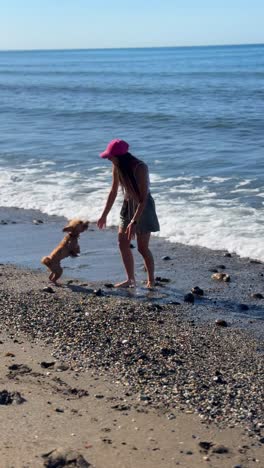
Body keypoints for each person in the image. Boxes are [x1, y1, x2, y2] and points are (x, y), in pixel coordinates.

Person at [97, 139, 160, 289]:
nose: (108, 159)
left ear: (120, 157)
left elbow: (143, 198)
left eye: (110, 156)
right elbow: (113, 191)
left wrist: (134, 221)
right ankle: (130, 280)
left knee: (142, 248)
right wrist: (104, 214)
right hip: (127, 205)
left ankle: (151, 280)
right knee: (122, 242)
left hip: (143, 207)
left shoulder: (140, 167)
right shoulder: (117, 166)